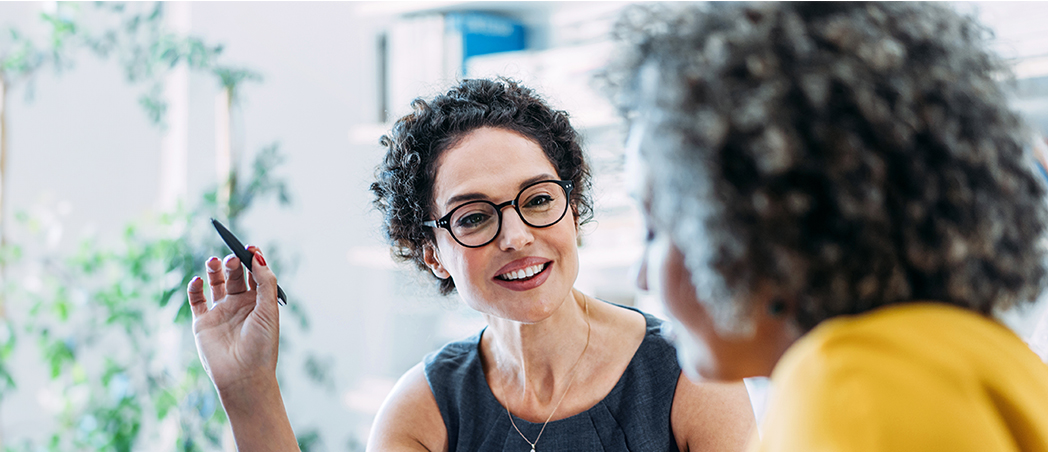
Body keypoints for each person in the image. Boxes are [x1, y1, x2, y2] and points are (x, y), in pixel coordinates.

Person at [187, 78, 756, 452]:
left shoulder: (691, 376)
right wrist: (248, 389)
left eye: (537, 200)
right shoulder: (423, 412)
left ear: (572, 210)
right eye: (474, 217)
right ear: (432, 252)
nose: (516, 236)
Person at [604, 2, 1048, 450]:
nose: (640, 276)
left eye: (654, 229)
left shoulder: (847, 392)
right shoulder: (988, 360)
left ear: (764, 225)